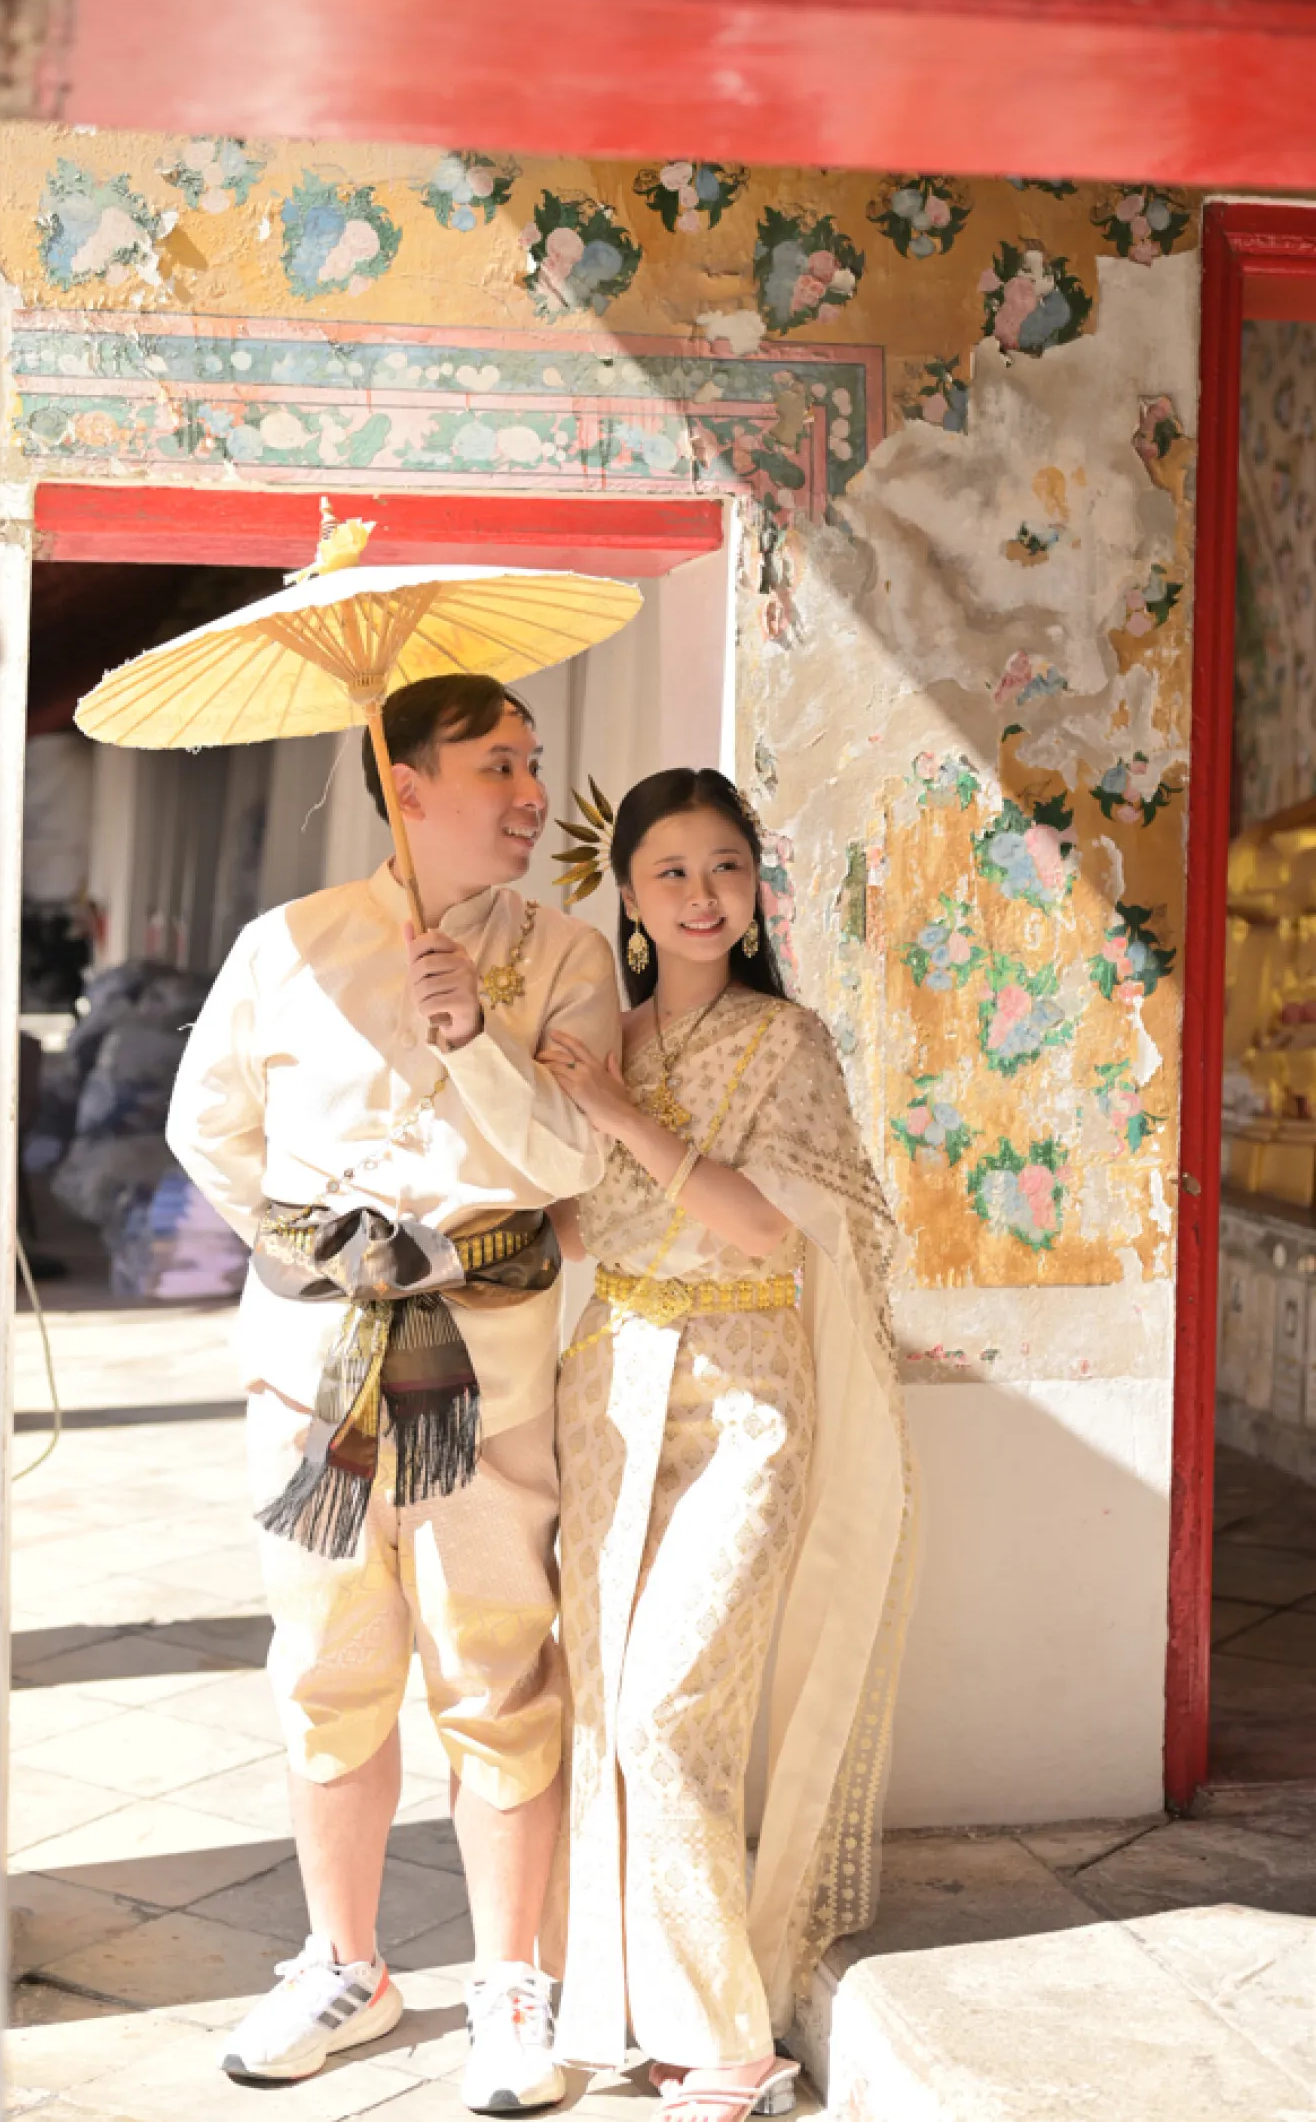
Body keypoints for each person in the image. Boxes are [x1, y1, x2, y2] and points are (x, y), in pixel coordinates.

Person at [167, 674, 620, 2103]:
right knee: (326, 1668)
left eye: (534, 762)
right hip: (315, 1377)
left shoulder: (565, 957)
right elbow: (208, 1127)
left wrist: (472, 1039)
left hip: (488, 1375)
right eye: (498, 765)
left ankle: (512, 1986)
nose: (531, 793)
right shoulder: (286, 944)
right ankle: (344, 1966)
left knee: (497, 1668)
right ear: (407, 784)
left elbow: (574, 1161)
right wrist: (320, 1250)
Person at [536, 769, 915, 2122]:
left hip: (751, 1395)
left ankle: (731, 2047)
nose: (703, 896)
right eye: (672, 873)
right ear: (628, 898)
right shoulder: (593, 1040)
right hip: (610, 1387)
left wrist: (617, 1116)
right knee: (603, 1701)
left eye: (726, 868)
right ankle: (633, 2009)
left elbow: (763, 1227)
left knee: (670, 1708)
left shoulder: (787, 1041)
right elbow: (576, 1222)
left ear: (756, 889)